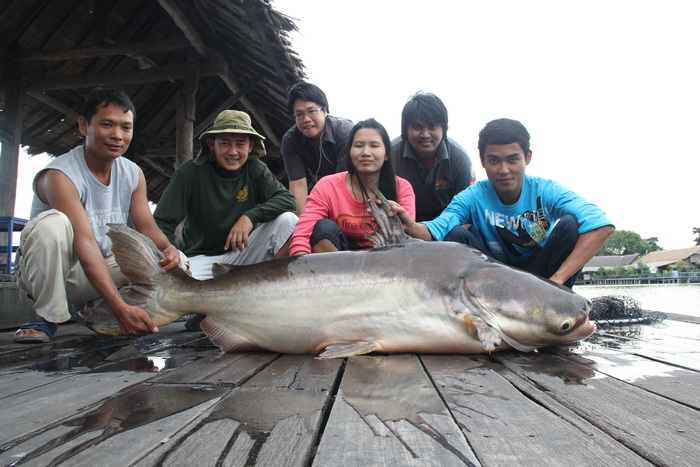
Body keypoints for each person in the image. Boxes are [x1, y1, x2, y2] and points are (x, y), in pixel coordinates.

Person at [14, 87, 183, 343]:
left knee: (177, 260)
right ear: (84, 126)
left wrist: (168, 248)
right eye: (107, 125)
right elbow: (84, 241)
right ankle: (47, 316)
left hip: (97, 267)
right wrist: (118, 306)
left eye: (126, 128)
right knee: (52, 225)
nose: (117, 135)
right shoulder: (60, 175)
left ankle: (96, 309)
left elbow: (147, 228)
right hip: (56, 273)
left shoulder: (132, 173)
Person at [393, 118, 615, 288]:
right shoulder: (472, 197)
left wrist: (557, 281)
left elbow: (601, 225)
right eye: (494, 160)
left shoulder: (546, 190)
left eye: (512, 159)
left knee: (571, 225)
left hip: (541, 277)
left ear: (527, 157)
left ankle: (558, 304)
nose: (504, 170)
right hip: (493, 276)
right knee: (455, 235)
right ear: (482, 161)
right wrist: (410, 226)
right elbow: (437, 228)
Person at [154, 110, 297, 280]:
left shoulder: (255, 169)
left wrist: (250, 216)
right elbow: (161, 221)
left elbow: (288, 200)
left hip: (242, 254)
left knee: (289, 221)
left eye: (240, 144)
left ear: (250, 146)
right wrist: (172, 251)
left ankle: (271, 284)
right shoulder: (190, 172)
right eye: (225, 143)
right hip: (201, 258)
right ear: (211, 144)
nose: (233, 152)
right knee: (171, 281)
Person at [289, 118, 415, 256]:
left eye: (374, 145)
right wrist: (299, 265)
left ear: (386, 154)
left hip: (385, 260)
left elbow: (406, 237)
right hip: (339, 262)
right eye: (359, 145)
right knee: (323, 228)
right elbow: (303, 231)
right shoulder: (327, 185)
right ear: (349, 151)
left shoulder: (402, 187)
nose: (366, 152)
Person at [391, 91, 475, 221]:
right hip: (401, 219)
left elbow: (468, 207)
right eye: (417, 127)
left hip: (446, 221)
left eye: (433, 126)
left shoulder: (458, 157)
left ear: (444, 128)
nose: (425, 134)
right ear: (405, 129)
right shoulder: (391, 154)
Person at [281, 81, 354, 215]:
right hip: (319, 193)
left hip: (351, 191)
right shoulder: (291, 140)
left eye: (311, 111)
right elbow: (298, 185)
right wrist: (302, 226)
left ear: (325, 111)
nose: (306, 119)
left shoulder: (344, 131)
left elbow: (344, 181)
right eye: (299, 115)